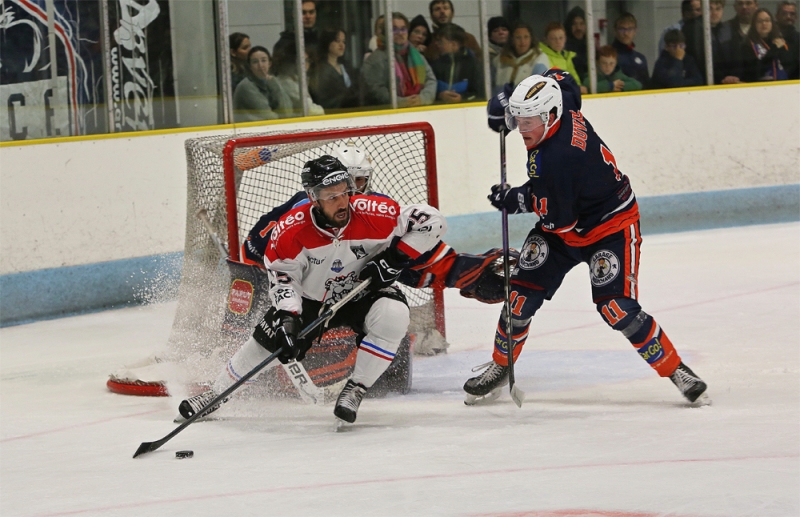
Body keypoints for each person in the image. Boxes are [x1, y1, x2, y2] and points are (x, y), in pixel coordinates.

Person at [466, 70, 710, 407]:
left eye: (529, 120)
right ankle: (501, 365)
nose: (522, 128)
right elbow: (561, 77)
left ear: (551, 114)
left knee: (616, 308)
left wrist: (514, 199)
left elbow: (557, 218)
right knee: (520, 297)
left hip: (608, 228)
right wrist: (507, 102)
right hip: (567, 222)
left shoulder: (558, 158)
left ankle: (676, 370)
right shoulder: (559, 100)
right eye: (519, 119)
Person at [176, 155, 448, 424]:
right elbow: (284, 279)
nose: (342, 203)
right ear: (313, 198)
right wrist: (288, 316)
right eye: (331, 197)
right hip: (311, 299)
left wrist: (394, 259)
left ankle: (355, 390)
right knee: (265, 344)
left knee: (394, 317)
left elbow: (433, 222)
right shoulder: (290, 230)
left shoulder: (374, 211)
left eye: (344, 192)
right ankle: (215, 394)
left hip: (366, 291)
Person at [361, 12, 438, 108]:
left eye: (403, 29)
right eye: (394, 29)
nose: (400, 33)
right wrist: (401, 102)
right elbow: (375, 90)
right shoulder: (374, 59)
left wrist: (423, 98)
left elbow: (430, 80)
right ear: (385, 32)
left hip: (419, 108)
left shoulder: (417, 56)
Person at [683, 0, 740, 84]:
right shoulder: (691, 29)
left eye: (718, 9)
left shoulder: (728, 30)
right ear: (702, 9)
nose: (714, 13)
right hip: (701, 84)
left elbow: (737, 58)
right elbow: (697, 60)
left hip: (728, 82)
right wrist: (721, 79)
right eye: (710, 8)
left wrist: (734, 76)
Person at [233, 46, 292, 122]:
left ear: (269, 63)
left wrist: (273, 83)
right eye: (255, 62)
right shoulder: (246, 86)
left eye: (263, 60)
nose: (260, 65)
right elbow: (269, 117)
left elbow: (287, 112)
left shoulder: (272, 82)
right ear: (250, 66)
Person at [429, 23, 485, 103]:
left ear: (454, 44)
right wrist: (439, 96)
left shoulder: (473, 64)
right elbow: (428, 91)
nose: (436, 44)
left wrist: (462, 98)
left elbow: (480, 93)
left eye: (440, 41)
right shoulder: (435, 64)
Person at [493, 21, 550, 94]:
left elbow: (540, 89)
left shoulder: (539, 59)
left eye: (526, 37)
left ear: (531, 39)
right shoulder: (499, 60)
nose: (522, 42)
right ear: (512, 39)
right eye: (518, 37)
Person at [272, 38, 325, 117]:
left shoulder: (300, 79)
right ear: (293, 61)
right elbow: (310, 110)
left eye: (307, 60)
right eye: (302, 60)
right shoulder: (286, 82)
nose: (306, 64)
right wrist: (322, 110)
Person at [310, 29, 360, 111]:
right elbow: (325, 99)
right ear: (327, 42)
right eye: (337, 41)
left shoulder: (346, 66)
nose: (341, 45)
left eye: (343, 41)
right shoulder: (320, 70)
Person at [737, 8, 790, 81]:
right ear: (754, 24)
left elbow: (789, 66)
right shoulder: (747, 46)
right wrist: (774, 48)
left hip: (783, 85)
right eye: (760, 21)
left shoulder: (780, 42)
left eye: (767, 20)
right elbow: (756, 71)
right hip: (759, 86)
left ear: (772, 23)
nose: (764, 23)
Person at [538, 22, 588, 94]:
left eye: (561, 38)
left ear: (565, 38)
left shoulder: (567, 56)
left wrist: (578, 87)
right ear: (546, 40)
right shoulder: (543, 56)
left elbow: (574, 79)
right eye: (553, 38)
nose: (558, 41)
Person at [611, 12, 650, 88]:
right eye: (622, 29)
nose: (626, 33)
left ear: (635, 31)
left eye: (630, 29)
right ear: (615, 31)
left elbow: (647, 84)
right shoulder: (609, 56)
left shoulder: (641, 58)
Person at [775, 1, 799, 79]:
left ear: (796, 17)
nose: (788, 17)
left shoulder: (798, 39)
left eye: (792, 14)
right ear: (777, 16)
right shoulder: (768, 38)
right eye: (784, 13)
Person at [564, 7, 589, 81]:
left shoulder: (590, 44)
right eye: (574, 24)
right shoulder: (563, 46)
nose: (578, 28)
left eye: (581, 23)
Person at [488, 16, 511, 87]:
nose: (501, 33)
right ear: (489, 35)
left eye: (504, 29)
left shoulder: (518, 52)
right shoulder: (486, 55)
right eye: (495, 30)